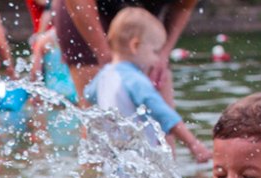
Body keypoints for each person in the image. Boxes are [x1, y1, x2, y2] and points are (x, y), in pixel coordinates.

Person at [84, 8, 210, 162]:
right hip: (141, 159)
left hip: (113, 159)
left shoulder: (103, 76)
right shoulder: (135, 81)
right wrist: (193, 144)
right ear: (135, 46)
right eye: (155, 52)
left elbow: (88, 97)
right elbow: (166, 116)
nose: (157, 59)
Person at [53, 0, 196, 106]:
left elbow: (183, 7)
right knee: (99, 116)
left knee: (162, 118)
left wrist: (163, 54)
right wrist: (104, 56)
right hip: (86, 10)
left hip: (142, 14)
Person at [30, 25, 76, 103]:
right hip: (75, 90)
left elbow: (35, 71)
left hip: (52, 92)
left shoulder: (43, 40)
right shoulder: (77, 37)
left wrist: (35, 94)